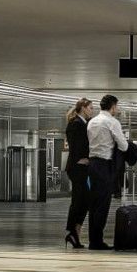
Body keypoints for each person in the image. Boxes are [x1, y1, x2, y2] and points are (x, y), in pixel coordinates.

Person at [85, 94, 132, 249]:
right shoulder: (112, 122)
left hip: (92, 164)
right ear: (112, 106)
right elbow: (124, 146)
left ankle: (93, 239)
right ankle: (97, 242)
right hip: (105, 166)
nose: (117, 109)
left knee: (94, 204)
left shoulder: (91, 122)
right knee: (103, 204)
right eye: (116, 107)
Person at [61, 96, 97, 249]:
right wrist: (82, 159)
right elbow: (77, 146)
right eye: (90, 108)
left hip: (82, 166)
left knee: (85, 200)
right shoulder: (75, 124)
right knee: (78, 200)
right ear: (83, 108)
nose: (92, 111)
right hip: (77, 167)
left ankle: (75, 231)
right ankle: (72, 231)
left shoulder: (84, 123)